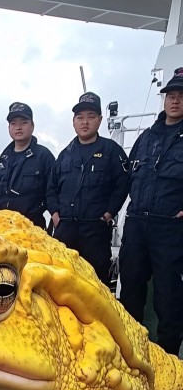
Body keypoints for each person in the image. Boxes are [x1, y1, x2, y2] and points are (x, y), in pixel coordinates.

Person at [119, 68, 183, 355]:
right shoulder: (146, 137)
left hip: (170, 228)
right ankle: (130, 352)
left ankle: (169, 357)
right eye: (171, 95)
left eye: (181, 96)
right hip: (137, 223)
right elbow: (127, 176)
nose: (175, 101)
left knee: (168, 296)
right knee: (130, 287)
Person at [46, 92, 129, 285]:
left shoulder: (112, 152)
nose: (85, 122)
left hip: (95, 231)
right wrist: (56, 216)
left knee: (95, 286)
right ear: (73, 122)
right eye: (80, 117)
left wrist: (108, 214)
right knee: (60, 284)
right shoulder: (64, 155)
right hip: (65, 230)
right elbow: (51, 187)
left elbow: (123, 184)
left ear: (100, 120)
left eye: (91, 117)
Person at [0, 102, 55, 229]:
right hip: (0, 230)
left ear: (32, 126)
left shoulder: (43, 156)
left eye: (24, 122)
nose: (18, 127)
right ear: (9, 128)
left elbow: (53, 192)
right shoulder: (1, 161)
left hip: (31, 229)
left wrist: (55, 215)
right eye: (13, 123)